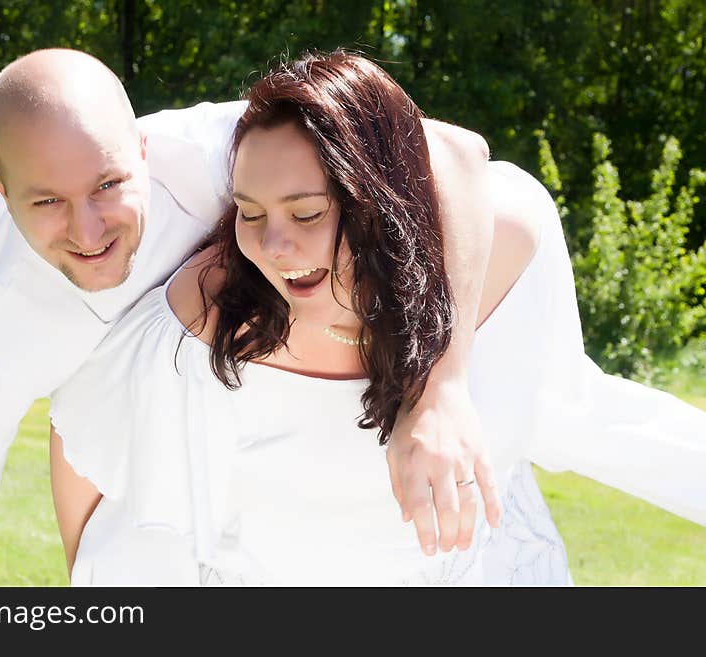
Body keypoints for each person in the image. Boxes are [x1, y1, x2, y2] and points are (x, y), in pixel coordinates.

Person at [49, 51, 706, 585]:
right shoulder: (214, 311)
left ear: (380, 198)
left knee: (568, 414)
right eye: (250, 213)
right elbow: (83, 439)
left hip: (469, 566)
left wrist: (440, 386)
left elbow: (467, 156)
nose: (274, 246)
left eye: (306, 212)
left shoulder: (502, 241)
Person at [0, 48, 502, 586]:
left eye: (108, 185)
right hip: (130, 447)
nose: (88, 231)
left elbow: (455, 150)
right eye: (48, 201)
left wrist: (440, 391)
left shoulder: (216, 152)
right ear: (0, 191)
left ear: (142, 148)